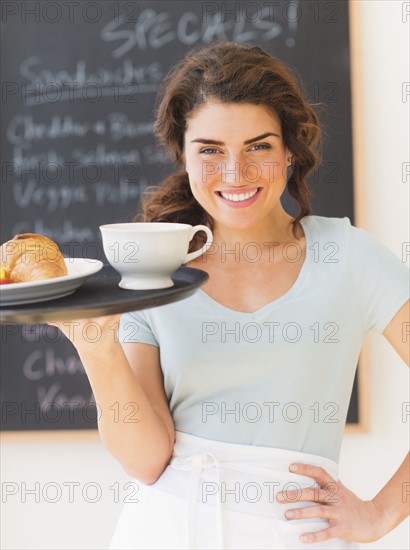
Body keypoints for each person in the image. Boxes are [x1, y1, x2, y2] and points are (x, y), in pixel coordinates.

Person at [51, 41, 409, 549]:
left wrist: (380, 515)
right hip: (166, 529)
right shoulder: (155, 270)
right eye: (211, 150)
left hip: (297, 535)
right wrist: (95, 345)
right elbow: (146, 460)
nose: (235, 173)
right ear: (184, 154)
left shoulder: (348, 258)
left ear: (289, 150)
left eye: (259, 146)